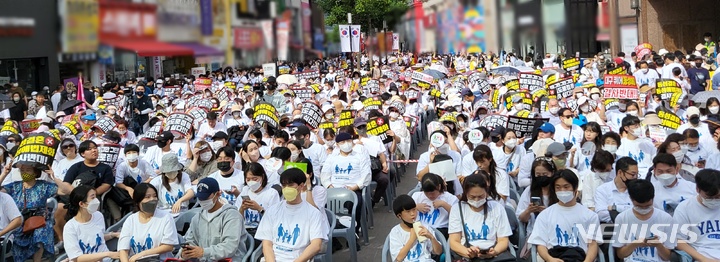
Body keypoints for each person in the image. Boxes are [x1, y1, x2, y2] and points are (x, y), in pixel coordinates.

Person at [527, 170, 603, 262]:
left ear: (575, 189)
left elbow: (593, 244)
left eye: (566, 187)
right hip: (554, 257)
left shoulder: (590, 216)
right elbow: (540, 244)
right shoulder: (545, 215)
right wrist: (550, 259)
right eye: (558, 187)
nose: (562, 191)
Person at [255, 168, 328, 261]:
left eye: (290, 185)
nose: (286, 189)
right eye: (284, 185)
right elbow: (267, 243)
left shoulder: (313, 213)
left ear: (301, 186)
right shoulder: (272, 210)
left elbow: (316, 245)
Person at [0, 162, 58, 262]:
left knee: (41, 231)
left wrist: (53, 177)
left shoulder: (44, 186)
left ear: (35, 172)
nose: (24, 173)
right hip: (19, 221)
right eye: (22, 170)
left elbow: (65, 191)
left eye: (28, 170)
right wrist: (4, 173)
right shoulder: (14, 186)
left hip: (38, 221)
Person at [448, 174, 514, 261]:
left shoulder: (497, 208)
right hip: (467, 253)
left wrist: (495, 251)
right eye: (472, 197)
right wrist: (467, 252)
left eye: (480, 196)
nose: (476, 200)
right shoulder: (457, 209)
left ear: (486, 193)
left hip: (493, 253)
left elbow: (503, 240)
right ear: (466, 194)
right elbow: (454, 241)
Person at [181, 177, 247, 261]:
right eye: (200, 198)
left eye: (206, 198)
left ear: (218, 194)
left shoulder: (232, 215)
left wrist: (204, 252)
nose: (203, 201)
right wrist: (184, 253)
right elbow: (190, 240)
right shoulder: (197, 218)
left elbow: (230, 247)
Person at [612, 179, 676, 262]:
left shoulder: (666, 219)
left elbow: (667, 257)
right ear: (631, 199)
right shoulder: (622, 218)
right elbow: (620, 254)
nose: (644, 209)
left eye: (648, 206)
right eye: (639, 206)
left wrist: (658, 245)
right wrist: (634, 244)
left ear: (653, 198)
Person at [118, 183, 178, 261]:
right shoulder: (130, 220)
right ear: (137, 201)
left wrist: (141, 255)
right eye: (147, 197)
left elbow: (168, 246)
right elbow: (123, 250)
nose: (152, 199)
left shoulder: (166, 217)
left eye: (154, 196)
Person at [63, 185, 119, 262]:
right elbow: (77, 258)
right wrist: (107, 254)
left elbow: (95, 238)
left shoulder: (98, 216)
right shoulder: (70, 227)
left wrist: (112, 234)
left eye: (96, 196)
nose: (96, 200)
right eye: (92, 198)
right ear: (82, 204)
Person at [674, 169, 720, 260]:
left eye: (718, 197)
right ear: (697, 189)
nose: (714, 200)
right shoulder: (685, 208)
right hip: (700, 255)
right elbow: (678, 240)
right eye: (709, 197)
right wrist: (704, 259)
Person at [388, 194, 443, 262]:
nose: (412, 214)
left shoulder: (424, 227)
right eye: (408, 211)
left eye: (414, 209)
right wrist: (412, 239)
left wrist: (431, 237)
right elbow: (398, 258)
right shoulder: (396, 232)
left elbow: (438, 252)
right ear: (399, 216)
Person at [237, 162, 281, 235]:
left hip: (263, 232)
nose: (251, 182)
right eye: (248, 179)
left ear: (262, 177)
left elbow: (274, 220)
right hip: (245, 232)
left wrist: (259, 209)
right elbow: (237, 219)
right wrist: (242, 209)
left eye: (255, 179)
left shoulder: (271, 193)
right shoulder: (245, 191)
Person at [412, 173, 458, 239]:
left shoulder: (450, 198)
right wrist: (415, 207)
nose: (430, 196)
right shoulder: (417, 196)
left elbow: (457, 215)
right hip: (420, 228)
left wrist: (444, 204)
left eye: (433, 193)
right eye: (427, 193)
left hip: (440, 229)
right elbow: (405, 210)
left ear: (439, 187)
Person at [594, 157, 638, 223]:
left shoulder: (638, 189)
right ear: (620, 172)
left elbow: (641, 210)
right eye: (633, 174)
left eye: (637, 174)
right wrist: (630, 213)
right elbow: (601, 214)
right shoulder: (602, 190)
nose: (635, 177)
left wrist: (615, 208)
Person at [517, 157, 556, 229]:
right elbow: (521, 218)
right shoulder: (529, 190)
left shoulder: (558, 191)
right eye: (538, 175)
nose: (541, 177)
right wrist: (528, 211)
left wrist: (546, 213)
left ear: (552, 173)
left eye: (545, 174)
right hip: (534, 233)